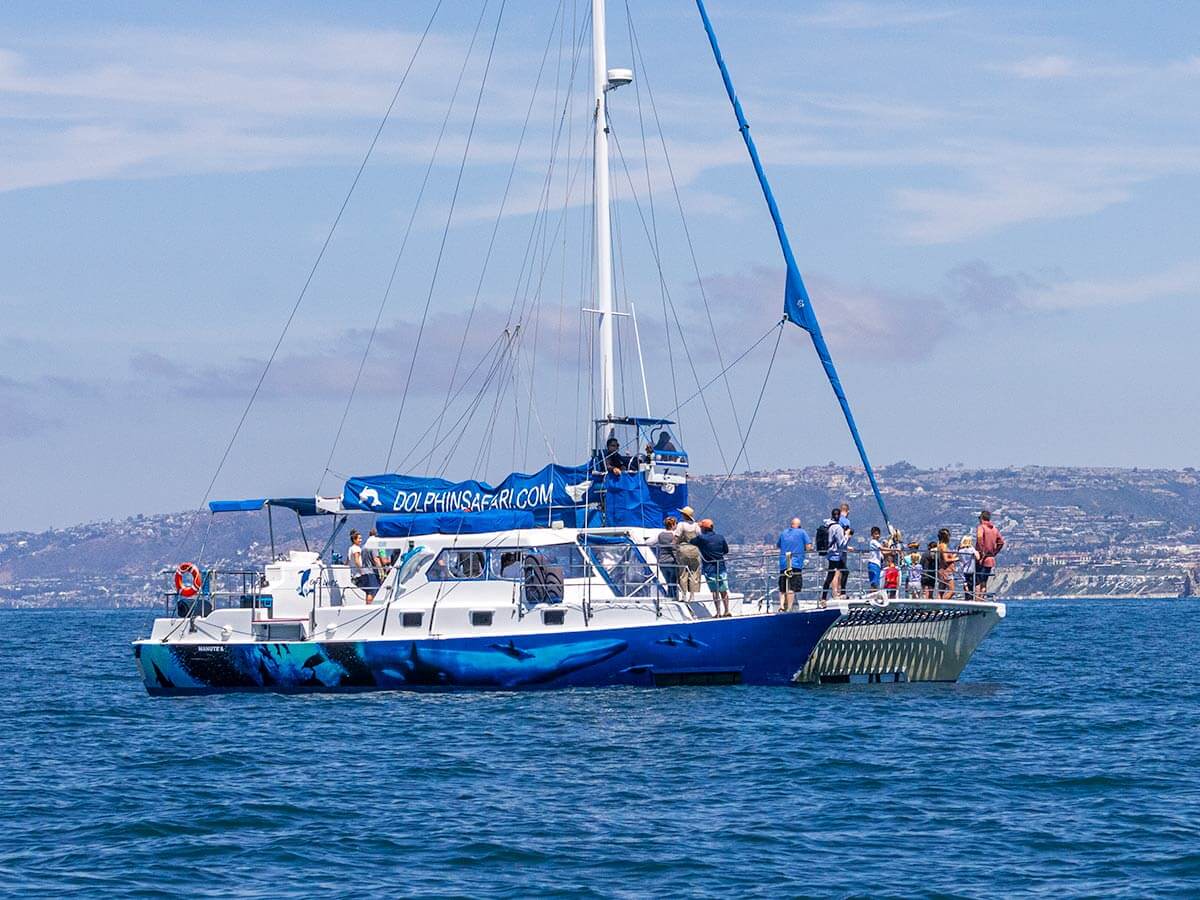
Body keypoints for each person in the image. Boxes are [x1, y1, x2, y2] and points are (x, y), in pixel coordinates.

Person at [693, 518, 731, 617]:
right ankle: (727, 610)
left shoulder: (702, 538)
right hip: (721, 566)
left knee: (715, 591)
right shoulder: (720, 537)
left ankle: (718, 612)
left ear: (703, 529)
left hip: (710, 567)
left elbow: (691, 541)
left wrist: (695, 528)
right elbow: (726, 550)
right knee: (723, 589)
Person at [777, 517, 812, 612]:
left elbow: (778, 545)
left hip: (784, 562)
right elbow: (809, 546)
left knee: (783, 587)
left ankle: (781, 606)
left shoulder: (783, 533)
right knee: (792, 587)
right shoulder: (802, 532)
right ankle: (789, 608)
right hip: (795, 563)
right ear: (799, 525)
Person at [974, 509, 1006, 600]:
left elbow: (979, 538)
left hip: (981, 558)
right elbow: (1001, 542)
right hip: (990, 559)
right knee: (984, 582)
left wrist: (981, 552)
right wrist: (995, 552)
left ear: (982, 518)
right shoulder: (994, 529)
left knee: (977, 581)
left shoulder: (981, 527)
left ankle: (977, 601)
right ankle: (982, 599)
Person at [674, 508, 703, 604]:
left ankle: (684, 595)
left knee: (683, 573)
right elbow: (700, 537)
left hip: (683, 550)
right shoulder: (696, 526)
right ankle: (693, 595)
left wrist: (673, 545)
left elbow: (676, 537)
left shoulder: (681, 525)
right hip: (694, 550)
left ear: (684, 515)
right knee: (694, 573)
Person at [348, 529, 379, 604]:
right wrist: (361, 570)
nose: (361, 540)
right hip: (360, 573)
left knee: (367, 591)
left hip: (354, 573)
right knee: (371, 591)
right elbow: (357, 560)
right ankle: (369, 605)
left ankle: (367, 604)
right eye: (359, 538)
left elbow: (348, 561)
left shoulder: (350, 548)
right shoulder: (356, 549)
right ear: (354, 539)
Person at [656, 515, 680, 599]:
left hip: (662, 561)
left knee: (668, 581)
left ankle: (669, 596)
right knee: (673, 581)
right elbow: (674, 549)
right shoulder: (674, 536)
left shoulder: (660, 535)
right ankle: (674, 597)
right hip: (671, 561)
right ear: (673, 525)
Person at [957, 535, 980, 601]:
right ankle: (976, 599)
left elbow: (960, 560)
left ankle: (967, 598)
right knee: (976, 584)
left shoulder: (960, 551)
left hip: (964, 570)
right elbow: (978, 557)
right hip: (971, 570)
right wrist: (976, 552)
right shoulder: (971, 549)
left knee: (966, 584)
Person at [937, 528, 957, 600]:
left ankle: (937, 608)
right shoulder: (944, 546)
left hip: (942, 570)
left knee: (941, 591)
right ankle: (940, 604)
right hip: (947, 571)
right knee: (952, 591)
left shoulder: (940, 545)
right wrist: (956, 559)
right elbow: (946, 559)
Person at [867, 526, 885, 592]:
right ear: (872, 535)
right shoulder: (873, 542)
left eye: (878, 534)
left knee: (876, 583)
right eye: (875, 534)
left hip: (877, 565)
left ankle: (873, 595)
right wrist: (894, 549)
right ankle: (872, 596)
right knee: (874, 583)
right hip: (873, 564)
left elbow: (883, 552)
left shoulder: (877, 543)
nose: (877, 535)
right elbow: (881, 549)